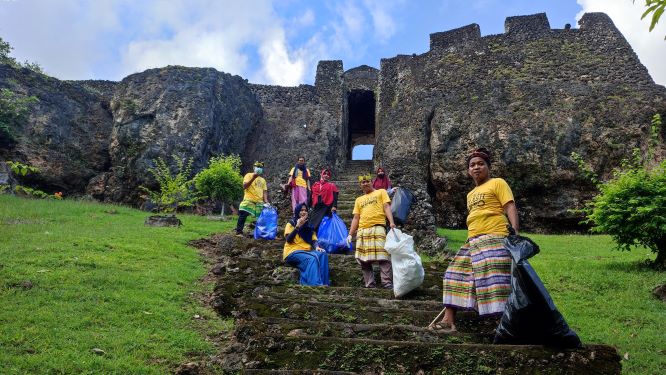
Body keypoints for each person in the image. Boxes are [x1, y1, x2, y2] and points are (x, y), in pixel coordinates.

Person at [430, 147, 519, 333]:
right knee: (453, 274)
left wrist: (515, 232)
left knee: (494, 278)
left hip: (496, 236)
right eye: (472, 165)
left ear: (488, 167)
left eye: (480, 164)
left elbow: (509, 206)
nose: (476, 167)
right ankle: (448, 321)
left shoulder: (498, 183)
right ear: (469, 170)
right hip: (473, 241)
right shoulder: (470, 194)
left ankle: (503, 323)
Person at [347, 174, 396, 288]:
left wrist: (391, 222)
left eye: (367, 181)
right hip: (362, 230)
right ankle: (369, 283)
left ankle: (387, 282)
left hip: (378, 227)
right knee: (363, 259)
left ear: (372, 182)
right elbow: (356, 218)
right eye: (363, 182)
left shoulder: (381, 192)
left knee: (383, 256)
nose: (365, 183)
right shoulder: (358, 200)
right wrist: (350, 234)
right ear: (360, 185)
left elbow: (386, 207)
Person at [283, 203, 330, 286]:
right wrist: (297, 227)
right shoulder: (291, 223)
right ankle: (315, 285)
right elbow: (288, 240)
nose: (303, 212)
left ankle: (324, 283)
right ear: (297, 211)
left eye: (305, 210)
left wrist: (317, 247)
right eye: (301, 210)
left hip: (306, 252)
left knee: (322, 254)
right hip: (292, 252)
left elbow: (313, 240)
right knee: (312, 258)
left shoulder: (309, 226)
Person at [235, 161, 269, 236]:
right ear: (254, 167)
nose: (259, 168)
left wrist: (266, 201)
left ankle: (261, 233)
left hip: (259, 201)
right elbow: (244, 186)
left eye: (260, 167)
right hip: (249, 199)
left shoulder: (263, 180)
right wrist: (253, 178)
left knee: (262, 217)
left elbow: (265, 191)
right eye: (257, 167)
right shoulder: (248, 175)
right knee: (243, 213)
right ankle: (239, 232)